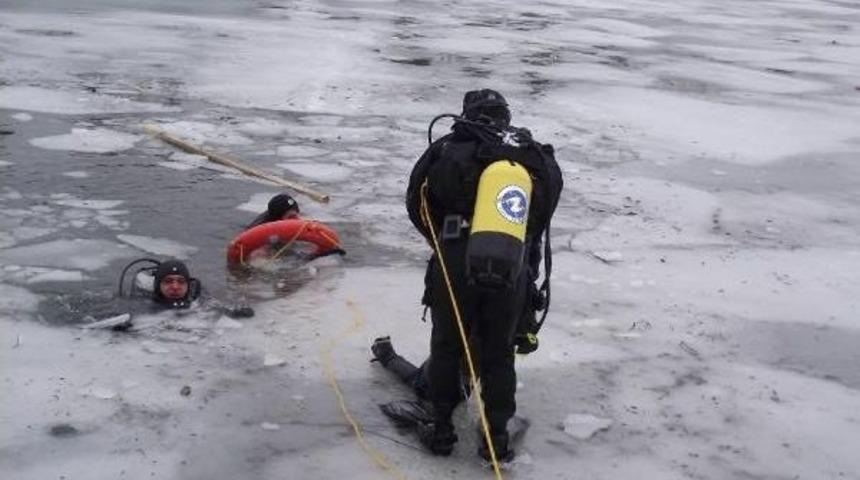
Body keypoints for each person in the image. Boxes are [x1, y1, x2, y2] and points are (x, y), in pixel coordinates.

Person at [403, 89, 563, 461]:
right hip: (512, 257)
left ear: (467, 113)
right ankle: (497, 439)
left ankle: (441, 430)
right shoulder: (532, 154)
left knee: (447, 343)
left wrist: (443, 241)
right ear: (506, 116)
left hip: (456, 254)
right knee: (499, 351)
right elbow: (542, 215)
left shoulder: (449, 147)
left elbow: (417, 202)